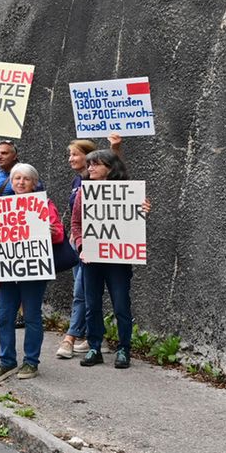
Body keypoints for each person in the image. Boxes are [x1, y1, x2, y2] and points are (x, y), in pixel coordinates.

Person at [73, 149, 151, 369]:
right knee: (92, 305)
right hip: (91, 259)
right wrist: (81, 246)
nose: (90, 168)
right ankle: (94, 347)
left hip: (117, 259)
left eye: (95, 164)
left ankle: (124, 349)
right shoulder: (83, 193)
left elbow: (131, 224)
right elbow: (76, 224)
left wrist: (142, 211)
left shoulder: (127, 191)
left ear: (109, 167)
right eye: (89, 165)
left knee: (121, 305)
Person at [0, 163, 62, 382]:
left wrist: (51, 231)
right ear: (11, 181)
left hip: (34, 271)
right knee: (3, 317)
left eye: (25, 179)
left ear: (34, 183)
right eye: (16, 178)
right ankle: (7, 361)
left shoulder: (44, 205)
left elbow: (58, 236)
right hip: (8, 272)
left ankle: (31, 362)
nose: (20, 182)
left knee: (31, 316)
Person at [55, 136, 121, 360]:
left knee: (80, 292)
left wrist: (115, 148)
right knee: (85, 291)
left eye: (75, 154)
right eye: (69, 154)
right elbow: (76, 218)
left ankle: (70, 338)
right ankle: (96, 337)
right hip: (80, 242)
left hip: (98, 242)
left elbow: (117, 183)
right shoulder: (78, 182)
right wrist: (78, 240)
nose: (70, 159)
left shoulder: (97, 179)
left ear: (89, 156)